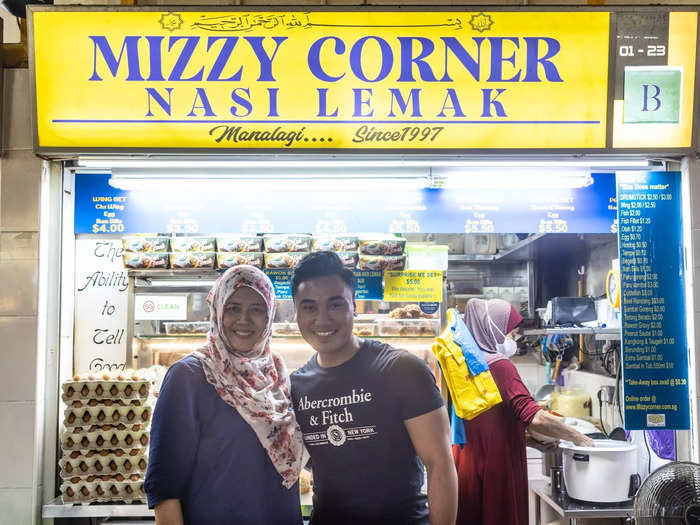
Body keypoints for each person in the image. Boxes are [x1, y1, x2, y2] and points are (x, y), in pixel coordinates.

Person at [290, 251, 457, 525]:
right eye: (309, 307)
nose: (322, 319)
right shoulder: (297, 386)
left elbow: (440, 465)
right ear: (296, 312)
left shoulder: (403, 370)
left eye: (335, 305)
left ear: (354, 306)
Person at [144, 265, 304, 525]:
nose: (244, 319)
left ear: (269, 316)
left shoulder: (277, 375)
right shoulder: (189, 377)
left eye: (257, 309)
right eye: (233, 308)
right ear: (217, 311)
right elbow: (165, 487)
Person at [452, 298, 595, 525]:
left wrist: (528, 442)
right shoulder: (499, 366)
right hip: (495, 469)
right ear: (493, 330)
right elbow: (535, 417)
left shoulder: (465, 364)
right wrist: (580, 438)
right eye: (510, 333)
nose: (513, 340)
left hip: (465, 465)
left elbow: (485, 423)